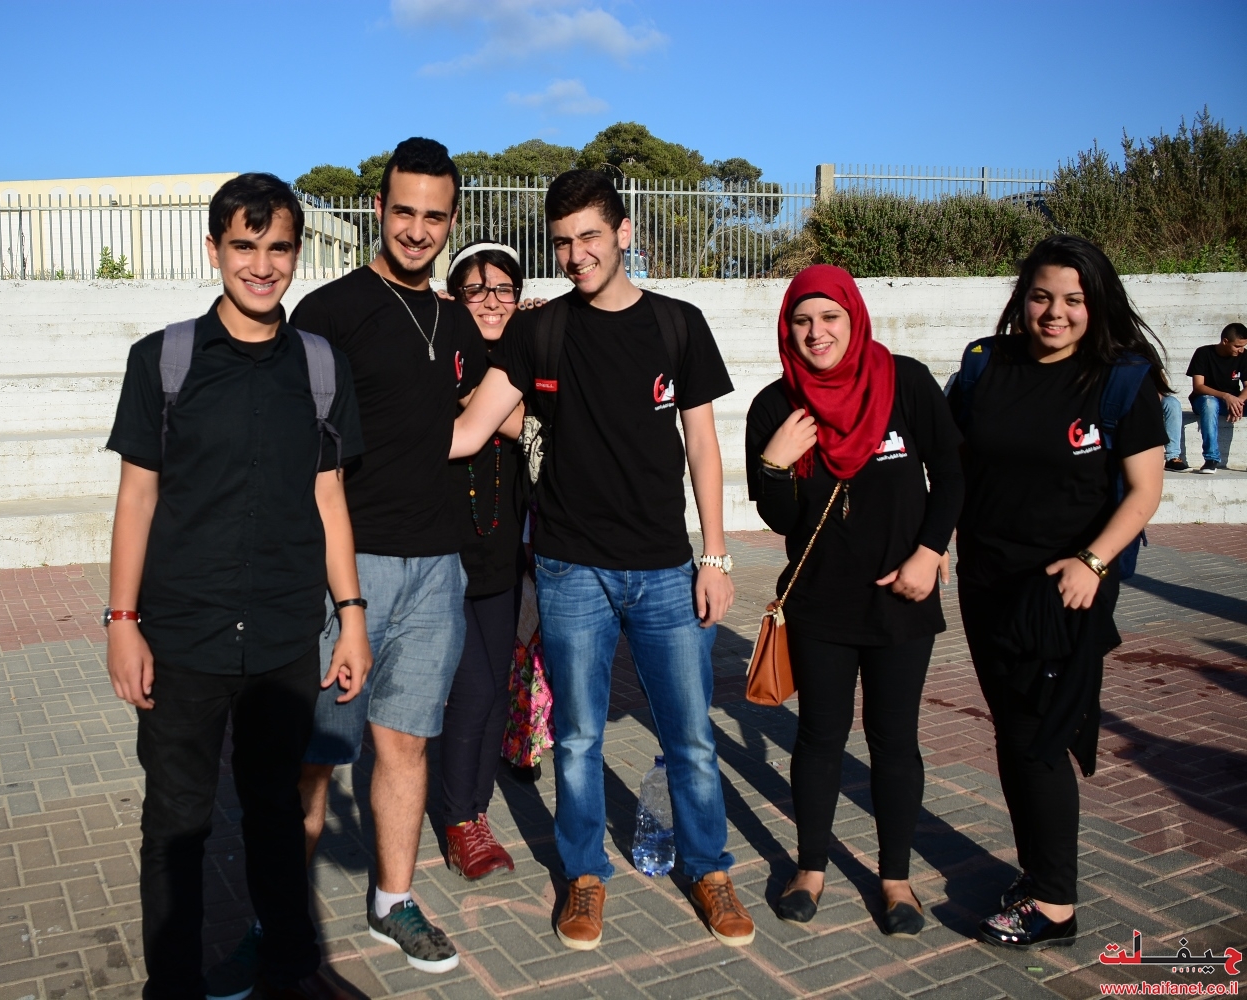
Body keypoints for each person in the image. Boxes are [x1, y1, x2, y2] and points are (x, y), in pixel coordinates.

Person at [451, 169, 754, 952]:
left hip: (664, 569)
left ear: (624, 233)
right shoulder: (541, 332)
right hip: (569, 569)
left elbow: (702, 446)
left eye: (589, 236)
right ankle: (584, 875)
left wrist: (715, 556)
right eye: (562, 242)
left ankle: (709, 869)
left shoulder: (679, 325)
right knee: (579, 740)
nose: (576, 254)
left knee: (691, 737)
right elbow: (470, 427)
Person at [104, 173, 369, 1000]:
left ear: (298, 252)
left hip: (284, 637)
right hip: (182, 636)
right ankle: (173, 985)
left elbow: (330, 499)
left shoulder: (321, 366)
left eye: (277, 247)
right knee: (176, 823)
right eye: (244, 246)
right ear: (214, 249)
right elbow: (137, 497)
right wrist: (121, 620)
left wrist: (351, 617)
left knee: (275, 813)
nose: (261, 264)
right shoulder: (163, 361)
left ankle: (291, 967)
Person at [291, 137, 489, 975]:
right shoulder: (328, 314)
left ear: (452, 220)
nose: (416, 229)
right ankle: (279, 916)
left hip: (437, 568)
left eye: (433, 216)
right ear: (378, 209)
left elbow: (478, 407)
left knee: (404, 743)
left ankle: (392, 901)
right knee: (317, 756)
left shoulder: (454, 319)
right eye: (403, 211)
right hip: (351, 570)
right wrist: (338, 595)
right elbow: (299, 458)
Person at [948, 234, 1166, 950]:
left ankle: (1055, 906)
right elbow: (951, 463)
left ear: (1095, 303)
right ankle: (1039, 874)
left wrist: (1093, 563)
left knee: (1038, 737)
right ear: (1023, 298)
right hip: (987, 582)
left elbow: (1144, 490)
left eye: (1073, 299)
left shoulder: (1121, 380)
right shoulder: (987, 366)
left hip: (1064, 590)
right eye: (1042, 296)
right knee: (1014, 731)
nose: (1055, 312)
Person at [745, 264, 963, 937]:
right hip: (821, 604)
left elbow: (952, 473)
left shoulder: (906, 382)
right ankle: (810, 867)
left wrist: (929, 552)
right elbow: (782, 519)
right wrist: (776, 463)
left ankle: (895, 878)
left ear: (854, 318)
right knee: (820, 736)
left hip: (903, 596)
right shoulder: (776, 406)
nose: (816, 332)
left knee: (894, 739)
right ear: (787, 328)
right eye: (802, 321)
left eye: (830, 317)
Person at [440, 240, 531, 880]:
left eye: (503, 289)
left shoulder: (526, 357)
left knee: (496, 687)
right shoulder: (437, 356)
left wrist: (487, 399)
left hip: (503, 553)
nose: (491, 301)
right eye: (476, 290)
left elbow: (528, 423)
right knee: (471, 690)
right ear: (455, 298)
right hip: (443, 553)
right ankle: (458, 820)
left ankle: (475, 811)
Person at [1184, 322, 1247, 473]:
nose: (1241, 350)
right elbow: (1198, 386)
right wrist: (1226, 396)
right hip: (1204, 400)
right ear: (1225, 341)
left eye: (1243, 346)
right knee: (1209, 403)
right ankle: (1211, 459)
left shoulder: (1244, 355)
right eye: (1237, 346)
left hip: (1233, 401)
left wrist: (1238, 402)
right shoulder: (1203, 353)